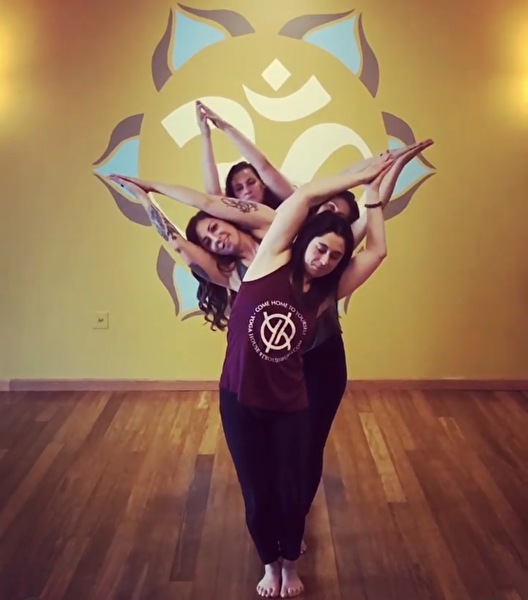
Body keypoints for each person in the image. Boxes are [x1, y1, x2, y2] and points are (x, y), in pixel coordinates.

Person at [216, 153, 394, 597]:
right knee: (256, 491)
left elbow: (377, 250)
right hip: (239, 400)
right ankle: (269, 564)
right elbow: (306, 196)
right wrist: (362, 173)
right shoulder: (269, 261)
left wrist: (373, 196)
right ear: (303, 241)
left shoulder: (326, 292)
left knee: (293, 489)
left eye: (336, 255)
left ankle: (290, 564)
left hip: (289, 404)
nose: (325, 259)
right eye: (320, 248)